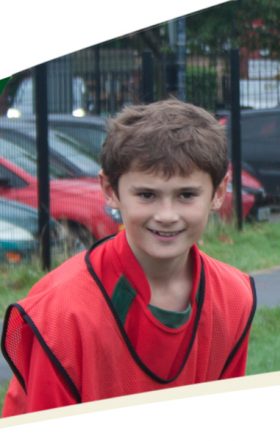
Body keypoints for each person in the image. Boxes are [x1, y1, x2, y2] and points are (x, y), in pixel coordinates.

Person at [1, 99, 257, 416]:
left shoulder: (234, 297)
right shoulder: (61, 314)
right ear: (111, 190)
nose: (167, 215)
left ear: (218, 193)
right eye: (147, 195)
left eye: (186, 195)